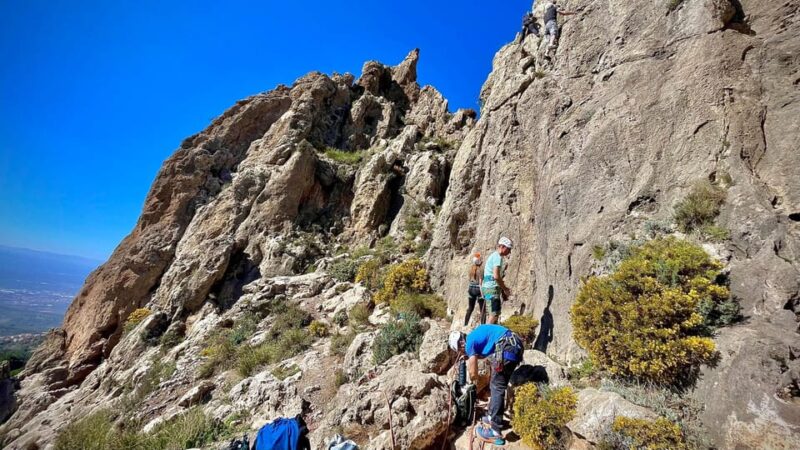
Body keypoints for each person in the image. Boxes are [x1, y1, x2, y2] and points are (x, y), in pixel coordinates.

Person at [448, 325, 524, 445]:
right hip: (514, 345)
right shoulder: (474, 336)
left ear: (460, 344)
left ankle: (495, 432)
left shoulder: (469, 343)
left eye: (460, 350)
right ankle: (492, 417)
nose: (462, 352)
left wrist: (474, 383)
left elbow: (473, 372)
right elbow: (483, 352)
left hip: (506, 348)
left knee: (496, 387)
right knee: (497, 385)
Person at [482, 237, 513, 324]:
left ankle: (490, 334)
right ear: (502, 247)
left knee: (493, 313)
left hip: (489, 288)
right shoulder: (497, 257)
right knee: (494, 314)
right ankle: (487, 335)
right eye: (508, 249)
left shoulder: (494, 256)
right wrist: (505, 289)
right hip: (492, 289)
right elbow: (496, 276)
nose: (509, 252)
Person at [464, 252, 485, 326]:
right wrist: (482, 294)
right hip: (478, 289)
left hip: (471, 289)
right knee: (482, 309)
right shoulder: (480, 270)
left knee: (470, 308)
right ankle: (483, 326)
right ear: (479, 261)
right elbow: (480, 283)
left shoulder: (471, 269)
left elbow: (470, 280)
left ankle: (465, 324)